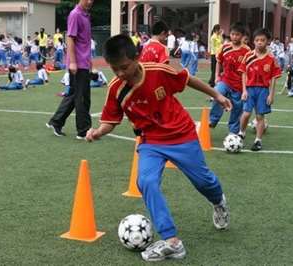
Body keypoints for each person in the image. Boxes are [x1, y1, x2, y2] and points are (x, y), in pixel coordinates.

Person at [86, 34, 231, 262]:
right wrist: (97, 131)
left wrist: (217, 95)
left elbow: (188, 79)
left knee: (204, 182)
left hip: (181, 134)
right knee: (146, 181)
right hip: (150, 141)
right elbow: (110, 121)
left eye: (124, 67)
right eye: (115, 69)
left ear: (136, 57)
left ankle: (218, 202)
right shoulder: (116, 89)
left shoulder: (159, 71)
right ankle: (172, 241)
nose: (120, 74)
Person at [46, 0, 94, 139]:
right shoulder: (75, 15)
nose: (90, 1)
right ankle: (84, 130)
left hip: (83, 61)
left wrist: (89, 60)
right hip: (78, 63)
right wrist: (73, 62)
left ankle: (56, 122)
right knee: (83, 97)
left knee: (74, 94)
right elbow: (70, 39)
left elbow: (84, 41)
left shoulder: (86, 15)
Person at [238, 28, 282, 151]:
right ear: (253, 41)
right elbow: (243, 73)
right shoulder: (248, 55)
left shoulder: (271, 58)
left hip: (263, 90)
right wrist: (244, 90)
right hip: (250, 89)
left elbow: (274, 77)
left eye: (262, 40)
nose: (259, 42)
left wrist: (271, 95)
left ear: (268, 41)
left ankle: (258, 140)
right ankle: (241, 132)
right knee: (246, 114)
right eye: (257, 40)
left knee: (259, 116)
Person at [209, 22, 251, 135]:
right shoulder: (225, 47)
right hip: (225, 81)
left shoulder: (247, 51)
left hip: (239, 86)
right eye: (232, 34)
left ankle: (233, 131)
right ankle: (212, 120)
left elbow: (248, 70)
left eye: (237, 35)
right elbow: (219, 62)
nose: (234, 37)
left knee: (237, 108)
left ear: (242, 36)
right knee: (217, 93)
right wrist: (217, 75)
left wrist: (246, 88)